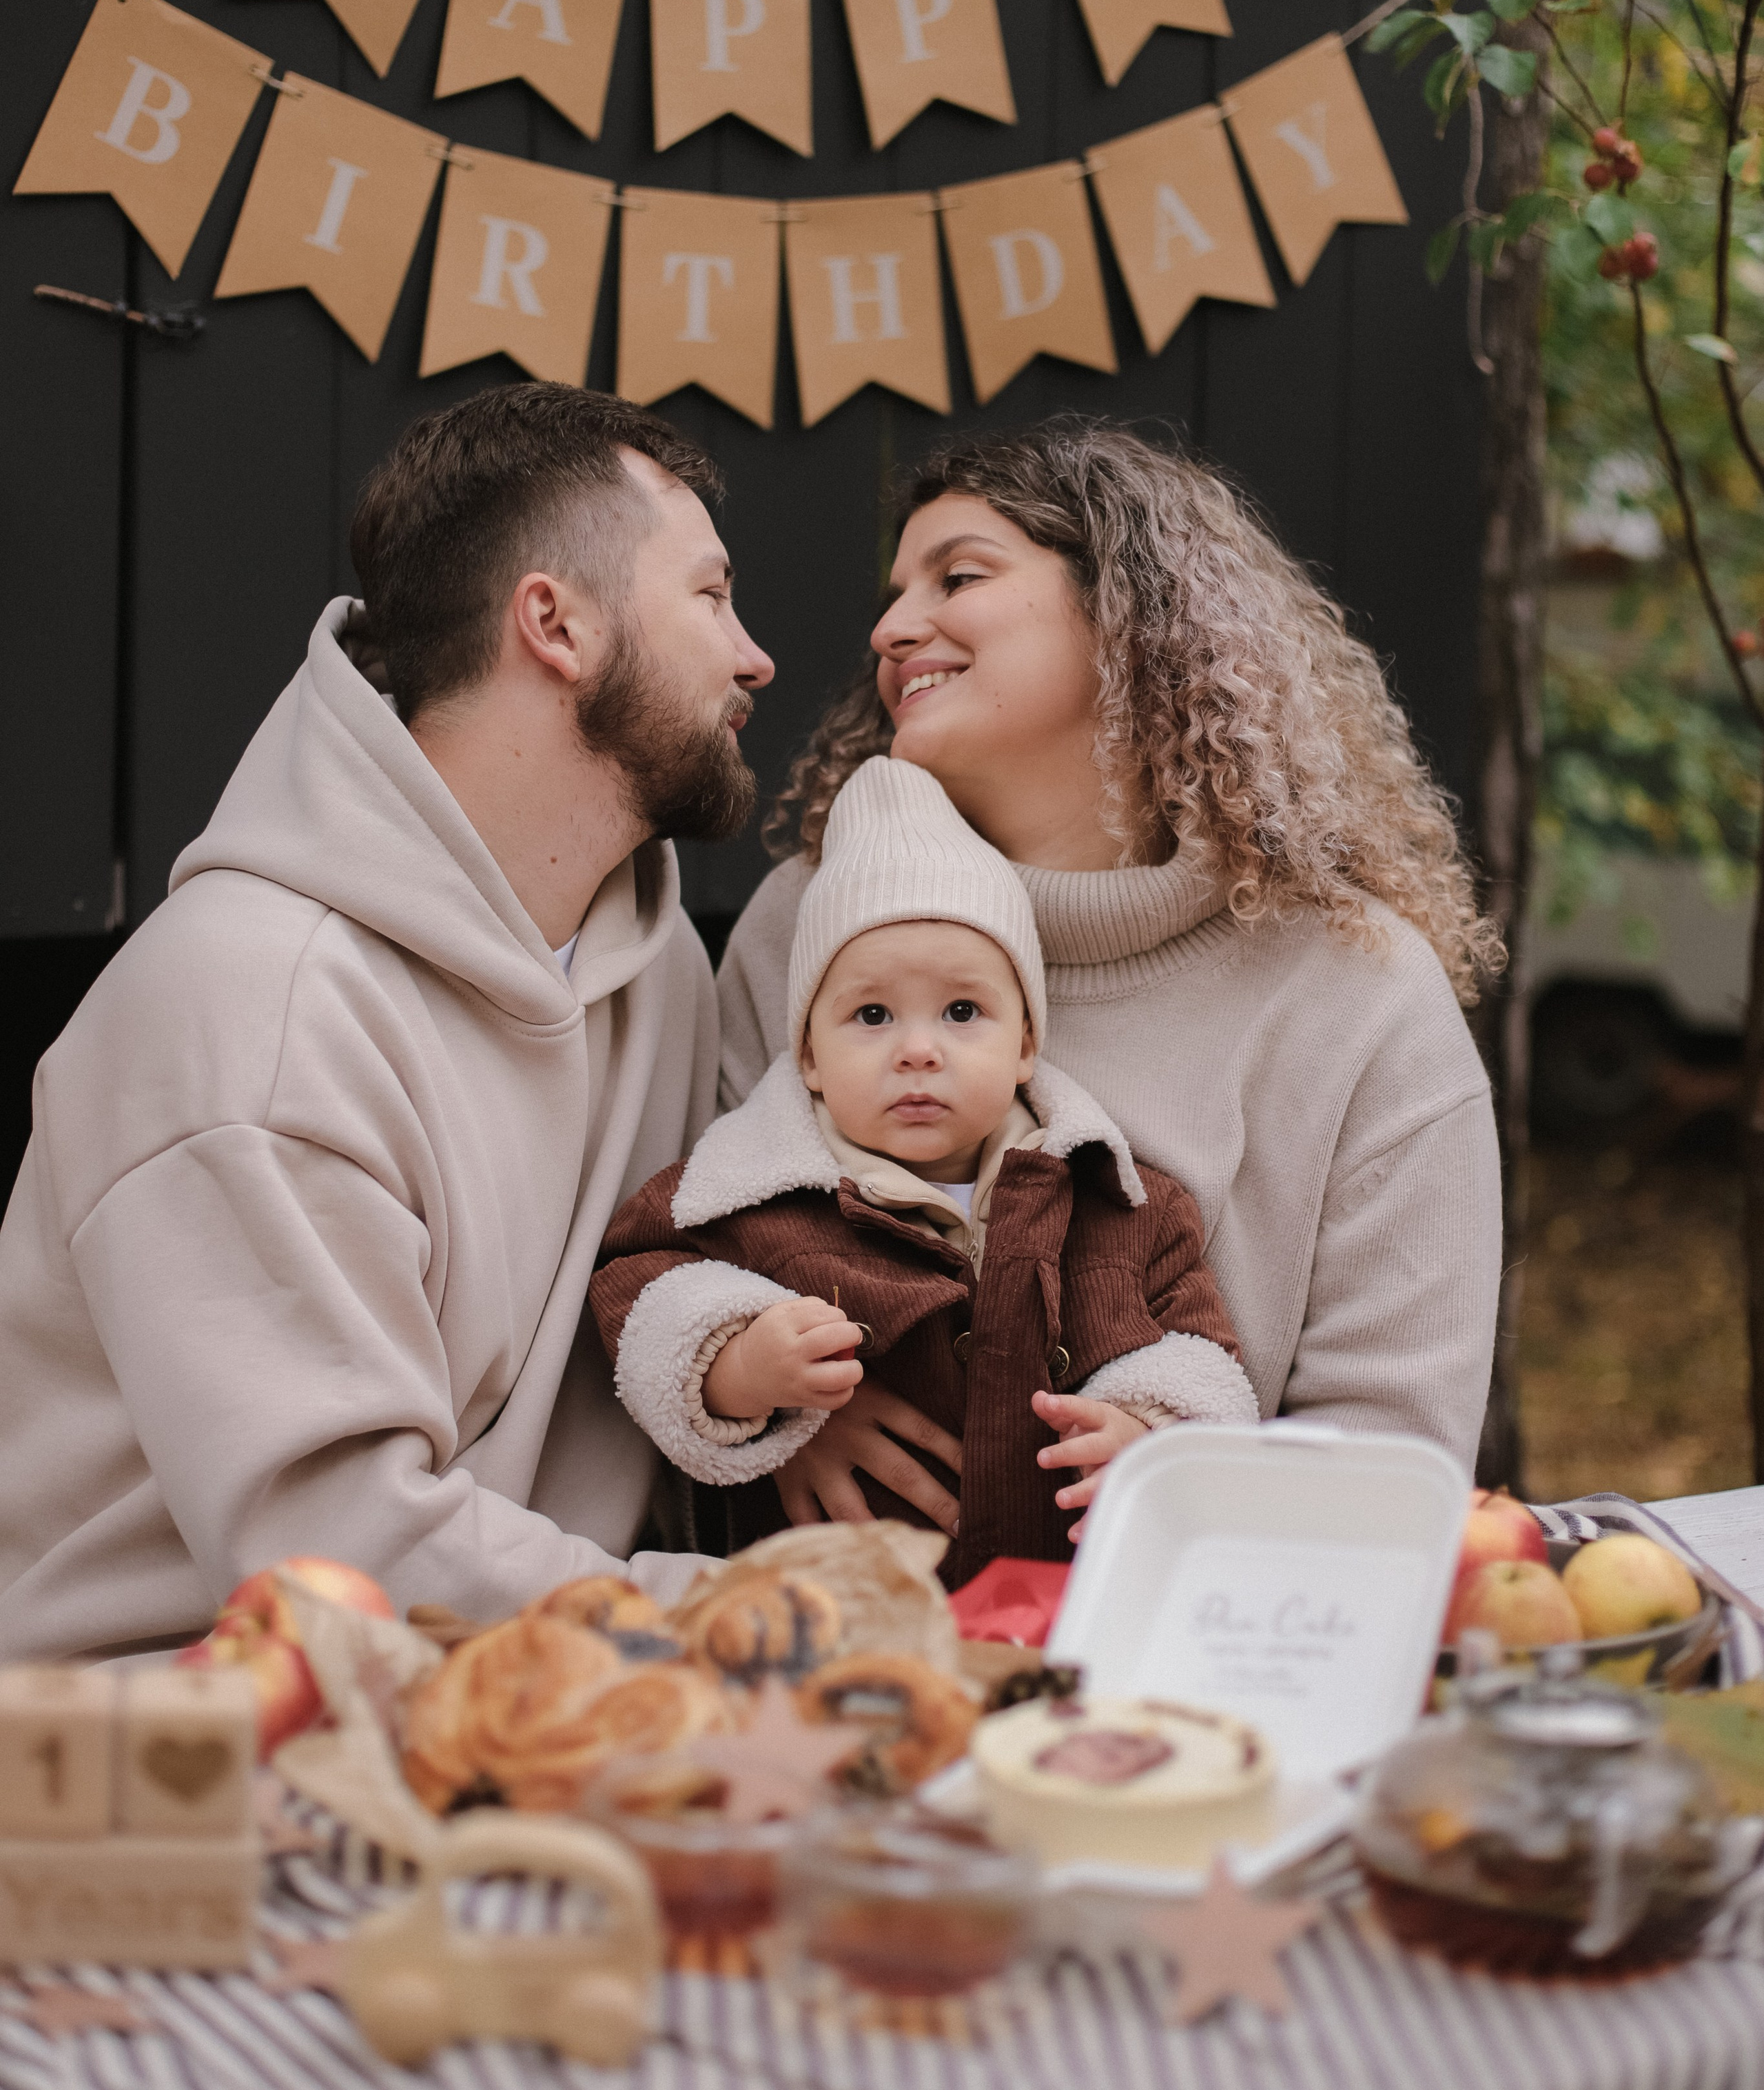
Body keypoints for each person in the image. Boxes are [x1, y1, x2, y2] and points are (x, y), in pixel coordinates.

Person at [0, 383, 772, 1662]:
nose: (753, 654)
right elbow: (337, 1554)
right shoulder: (253, 1005)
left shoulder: (659, 968)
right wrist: (750, 1627)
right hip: (181, 1757)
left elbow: (666, 1328)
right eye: (709, 595)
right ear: (557, 625)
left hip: (546, 1709)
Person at [719, 418, 1504, 1529]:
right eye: (893, 595)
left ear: (1130, 612)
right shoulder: (809, 922)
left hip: (1201, 1653)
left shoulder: (1356, 987)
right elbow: (689, 1245)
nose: (894, 629)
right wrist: (786, 1411)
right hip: (834, 1643)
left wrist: (1174, 1482)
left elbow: (1389, 1445)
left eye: (960, 575)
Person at [591, 757, 1255, 1589]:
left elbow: (1200, 1354)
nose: (917, 1048)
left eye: (962, 1012)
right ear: (808, 1055)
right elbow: (641, 1288)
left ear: (1023, 1046)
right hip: (836, 1624)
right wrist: (740, 1366)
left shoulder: (1121, 1205)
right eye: (871, 1015)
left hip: (1062, 1624)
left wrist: (1148, 1435)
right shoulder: (748, 1200)